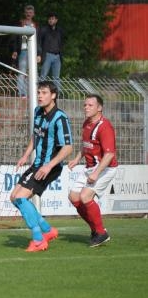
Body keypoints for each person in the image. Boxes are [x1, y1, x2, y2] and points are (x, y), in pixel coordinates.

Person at [10, 80, 73, 252]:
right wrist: (25, 155)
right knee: (14, 197)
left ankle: (39, 240)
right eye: (39, 92)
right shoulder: (38, 112)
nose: (40, 95)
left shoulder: (60, 118)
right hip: (38, 164)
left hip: (50, 166)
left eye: (44, 93)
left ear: (53, 96)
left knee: (21, 198)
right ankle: (47, 230)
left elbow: (68, 148)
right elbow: (35, 136)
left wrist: (48, 166)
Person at [67, 94, 117, 247]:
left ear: (99, 108)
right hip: (90, 168)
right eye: (85, 105)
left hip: (105, 168)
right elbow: (86, 145)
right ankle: (96, 230)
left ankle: (101, 233)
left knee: (85, 196)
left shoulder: (104, 126)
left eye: (90, 105)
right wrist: (77, 159)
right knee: (74, 197)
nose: (86, 108)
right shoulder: (86, 124)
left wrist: (96, 173)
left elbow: (109, 154)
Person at [11, 5, 40, 98]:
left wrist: (39, 54)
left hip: (33, 52)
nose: (29, 14)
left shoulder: (36, 25)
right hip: (23, 51)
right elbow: (15, 37)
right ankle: (21, 93)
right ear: (25, 13)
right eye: (27, 12)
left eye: (30, 13)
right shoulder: (20, 23)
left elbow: (38, 40)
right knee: (22, 72)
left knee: (32, 72)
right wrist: (15, 50)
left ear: (33, 14)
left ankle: (30, 93)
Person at [39, 13, 64, 91]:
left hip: (57, 56)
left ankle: (58, 94)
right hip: (47, 55)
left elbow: (62, 42)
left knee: (56, 77)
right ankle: (39, 91)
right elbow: (39, 42)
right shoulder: (44, 29)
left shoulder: (60, 30)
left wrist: (60, 54)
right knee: (43, 75)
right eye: (49, 19)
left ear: (56, 20)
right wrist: (39, 54)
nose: (50, 20)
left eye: (52, 19)